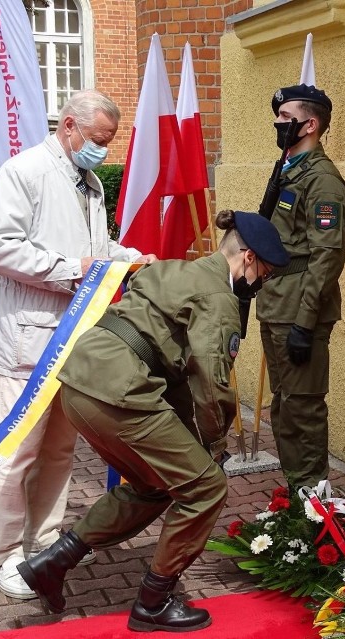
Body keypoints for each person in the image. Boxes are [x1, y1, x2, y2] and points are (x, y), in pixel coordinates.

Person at [16, 210, 289, 632]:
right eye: (266, 274)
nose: (263, 284)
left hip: (80, 384)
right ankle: (153, 603)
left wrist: (194, 440)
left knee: (155, 485)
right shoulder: (218, 299)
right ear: (248, 259)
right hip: (117, 392)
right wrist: (214, 449)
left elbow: (171, 367)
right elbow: (211, 383)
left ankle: (54, 562)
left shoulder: (180, 269)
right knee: (205, 486)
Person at [0, 89, 157, 600]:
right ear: (70, 128)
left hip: (72, 342)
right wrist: (68, 271)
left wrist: (127, 257)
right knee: (14, 453)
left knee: (59, 450)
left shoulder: (90, 182)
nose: (104, 150)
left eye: (110, 142)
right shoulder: (25, 171)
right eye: (99, 140)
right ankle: (4, 554)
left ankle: (44, 539)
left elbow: (92, 250)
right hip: (24, 342)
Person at [256, 84, 345, 490]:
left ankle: (314, 502)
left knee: (303, 410)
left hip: (298, 310)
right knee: (284, 408)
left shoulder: (323, 181)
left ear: (309, 125)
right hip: (277, 303)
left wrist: (305, 323)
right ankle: (298, 494)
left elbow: (327, 257)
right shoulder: (289, 167)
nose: (277, 123)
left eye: (285, 117)